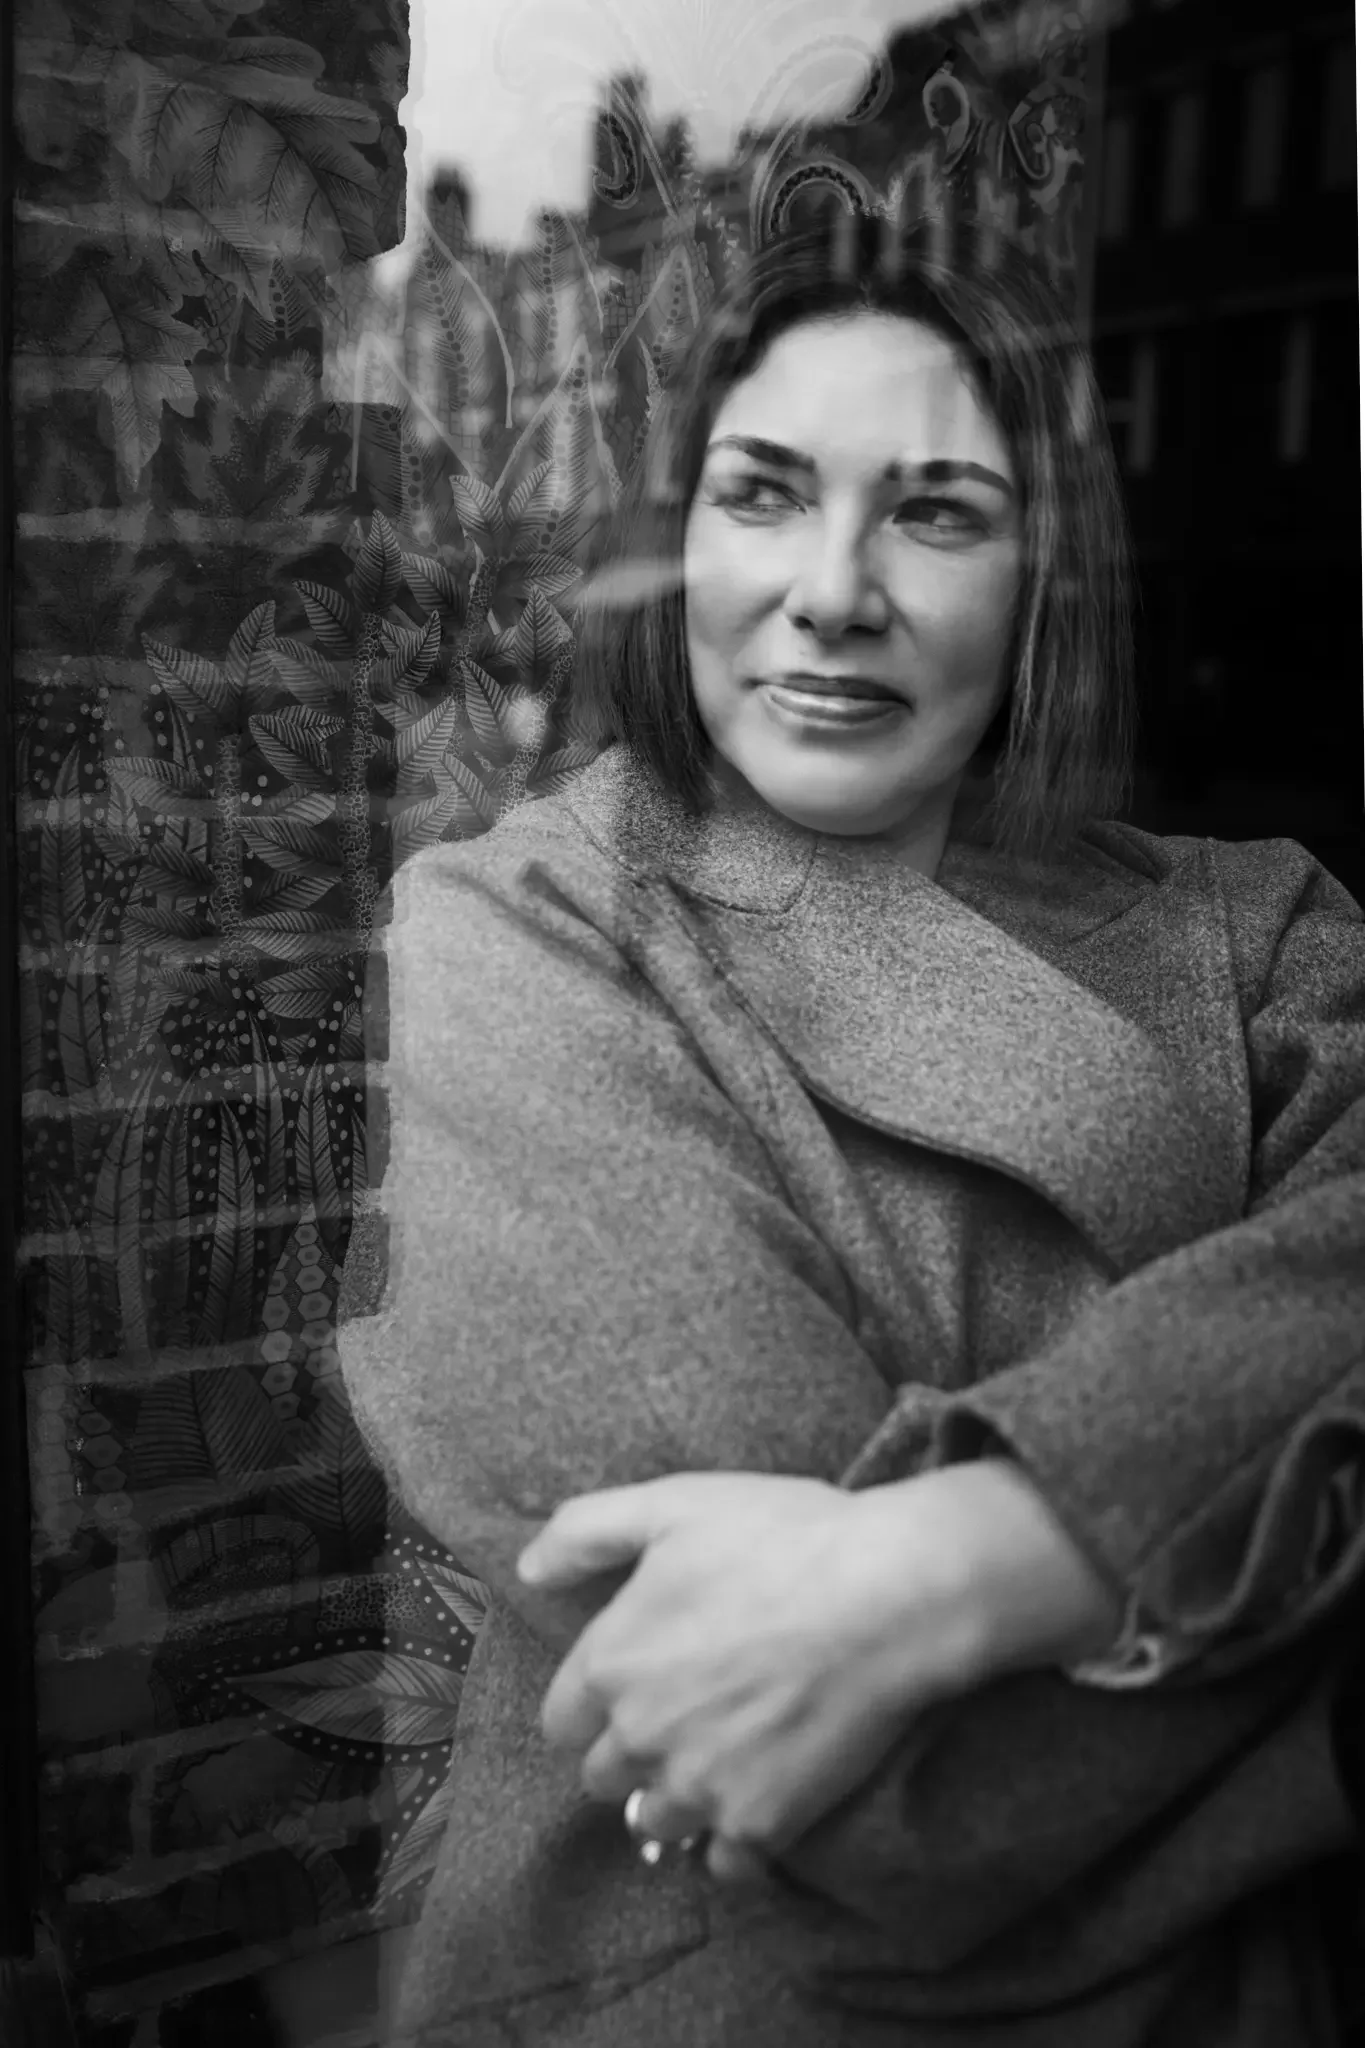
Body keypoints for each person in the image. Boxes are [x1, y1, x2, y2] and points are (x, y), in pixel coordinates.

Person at [337, 213, 1365, 2046]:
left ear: (1042, 574)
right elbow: (860, 1785)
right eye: (765, 493)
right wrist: (1256, 1553)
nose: (833, 589)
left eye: (938, 511)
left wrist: (949, 1565)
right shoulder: (513, 929)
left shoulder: (1261, 930)